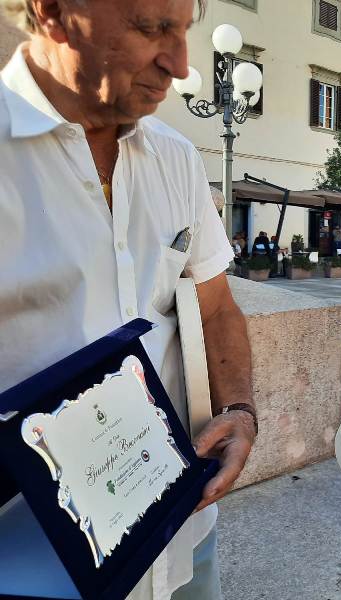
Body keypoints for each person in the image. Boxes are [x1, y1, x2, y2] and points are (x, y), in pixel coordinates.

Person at [0, 1, 257, 599]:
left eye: (184, 30)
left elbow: (217, 307)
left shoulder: (177, 157)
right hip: (35, 564)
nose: (181, 65)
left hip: (183, 532)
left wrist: (240, 409)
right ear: (53, 11)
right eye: (151, 28)